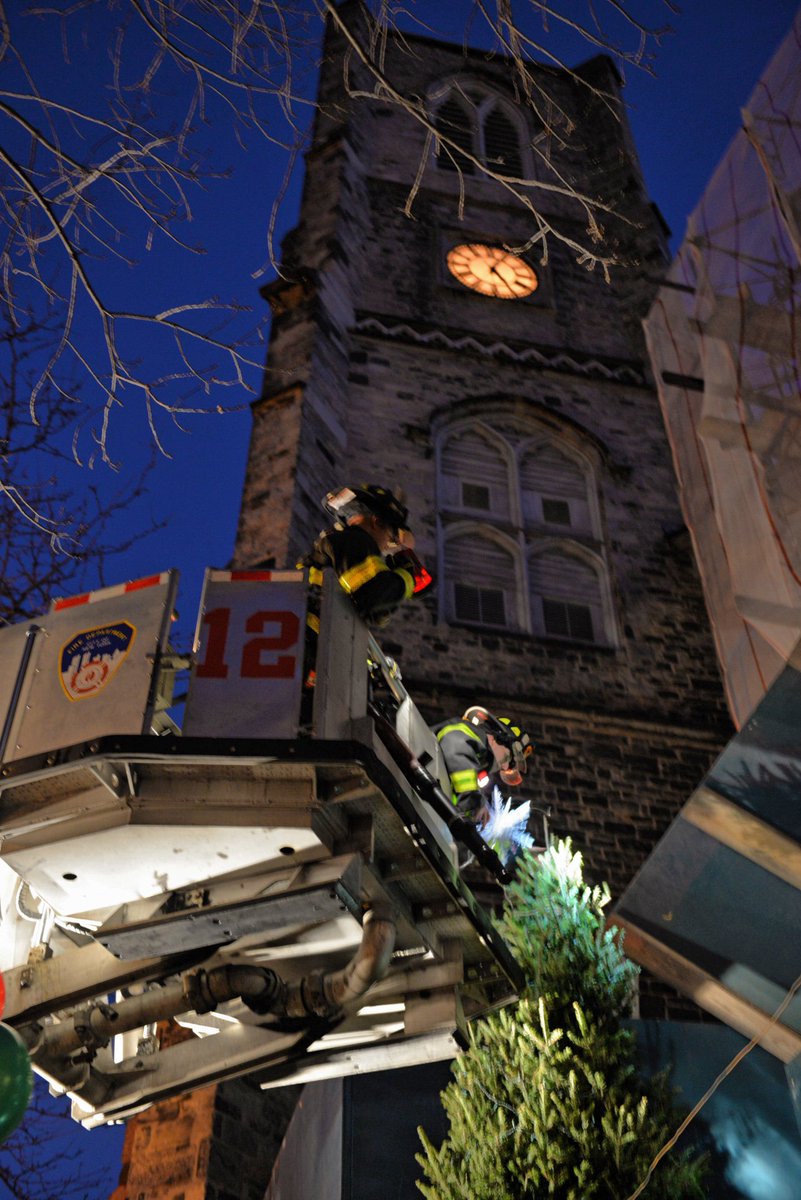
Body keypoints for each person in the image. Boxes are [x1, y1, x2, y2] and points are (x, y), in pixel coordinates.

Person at [304, 484, 432, 627]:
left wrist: (389, 580)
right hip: (313, 638)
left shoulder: (342, 544)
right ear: (376, 522)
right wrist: (407, 577)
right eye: (391, 537)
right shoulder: (354, 541)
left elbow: (372, 616)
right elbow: (372, 598)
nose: (387, 546)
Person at [433, 706, 533, 828]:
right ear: (494, 739)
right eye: (509, 759)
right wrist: (474, 803)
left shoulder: (475, 762)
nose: (505, 766)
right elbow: (454, 744)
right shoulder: (468, 732)